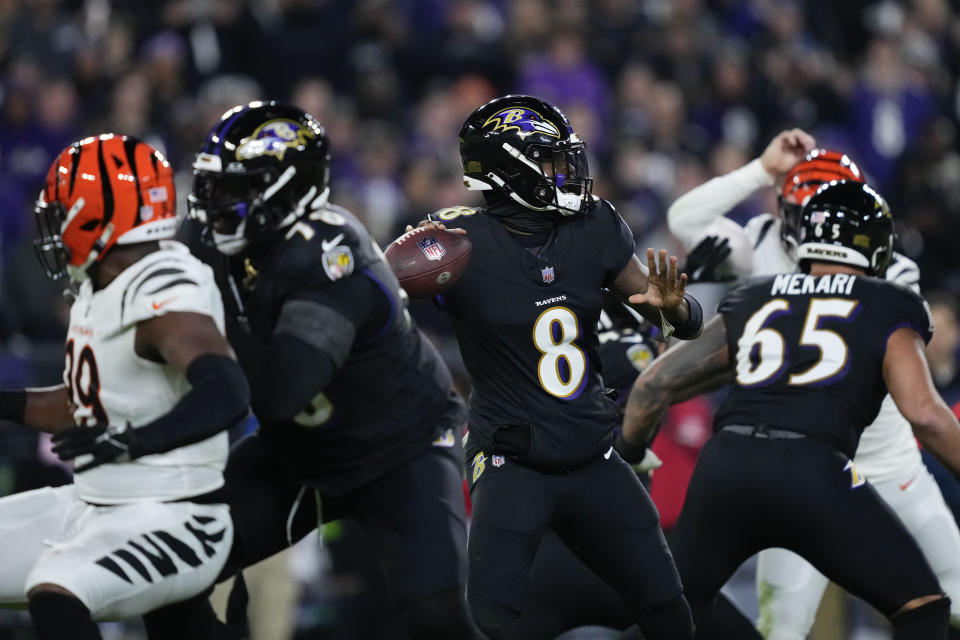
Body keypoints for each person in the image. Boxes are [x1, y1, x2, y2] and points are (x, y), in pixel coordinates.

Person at [184, 101, 479, 639]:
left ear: (290, 188)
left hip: (399, 448)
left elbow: (281, 390)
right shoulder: (208, 243)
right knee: (176, 567)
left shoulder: (332, 252)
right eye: (213, 185)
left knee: (436, 616)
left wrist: (204, 310)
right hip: (301, 452)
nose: (215, 203)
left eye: (237, 187)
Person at [419, 94, 703, 640]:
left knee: (672, 618)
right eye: (550, 160)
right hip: (512, 463)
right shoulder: (456, 242)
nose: (566, 172)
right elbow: (379, 302)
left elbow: (670, 311)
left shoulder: (594, 225)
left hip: (595, 458)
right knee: (486, 626)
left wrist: (678, 310)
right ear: (510, 169)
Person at [621, 180, 958, 639]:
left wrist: (632, 454)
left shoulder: (756, 293)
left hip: (726, 466)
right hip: (813, 468)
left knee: (675, 613)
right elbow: (926, 414)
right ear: (877, 247)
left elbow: (653, 385)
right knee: (923, 608)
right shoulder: (890, 300)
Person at [0, 134, 249, 639]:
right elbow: (84, 404)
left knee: (57, 588)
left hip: (177, 515)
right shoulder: (102, 282)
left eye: (62, 209)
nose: (51, 224)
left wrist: (131, 441)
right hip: (96, 503)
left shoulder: (161, 287)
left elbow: (227, 389)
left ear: (98, 215)